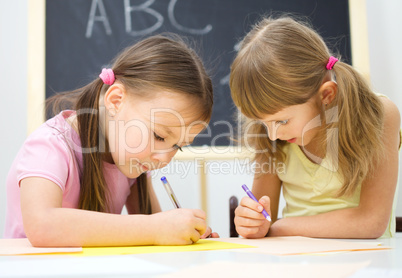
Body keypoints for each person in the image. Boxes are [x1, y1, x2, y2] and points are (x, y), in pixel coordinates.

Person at [4, 34, 219, 246]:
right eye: (159, 136)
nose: (164, 158)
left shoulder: (130, 159)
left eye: (177, 147)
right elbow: (42, 226)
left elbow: (156, 230)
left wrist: (182, 233)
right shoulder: (49, 145)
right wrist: (156, 228)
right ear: (116, 100)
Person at [230, 16, 400, 239]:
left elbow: (370, 222)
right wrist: (253, 222)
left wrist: (278, 228)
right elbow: (262, 218)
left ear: (326, 95)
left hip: (367, 263)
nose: (273, 134)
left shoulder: (379, 115)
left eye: (282, 122)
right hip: (297, 264)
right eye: (263, 123)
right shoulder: (272, 134)